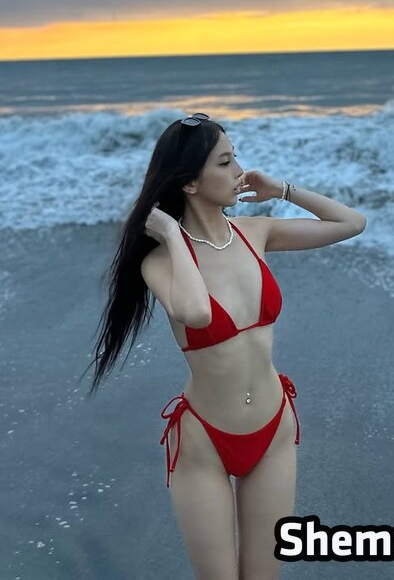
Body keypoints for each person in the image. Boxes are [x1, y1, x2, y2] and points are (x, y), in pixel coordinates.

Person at [85, 113, 366, 579]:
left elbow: (351, 222)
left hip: (274, 431)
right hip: (205, 442)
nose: (239, 171)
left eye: (236, 157)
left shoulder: (256, 233)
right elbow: (196, 313)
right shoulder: (159, 261)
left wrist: (282, 190)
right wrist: (172, 234)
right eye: (224, 162)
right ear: (189, 183)